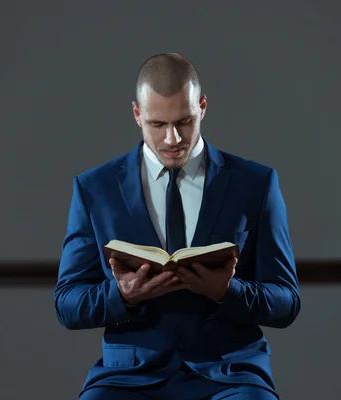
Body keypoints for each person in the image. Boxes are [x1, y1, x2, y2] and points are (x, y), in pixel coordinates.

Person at [54, 53, 300, 400]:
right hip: (129, 376)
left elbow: (287, 301)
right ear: (138, 115)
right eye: (157, 124)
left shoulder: (255, 183)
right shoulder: (96, 189)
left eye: (184, 121)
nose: (172, 139)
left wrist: (226, 292)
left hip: (230, 374)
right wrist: (122, 295)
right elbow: (67, 303)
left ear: (202, 107)